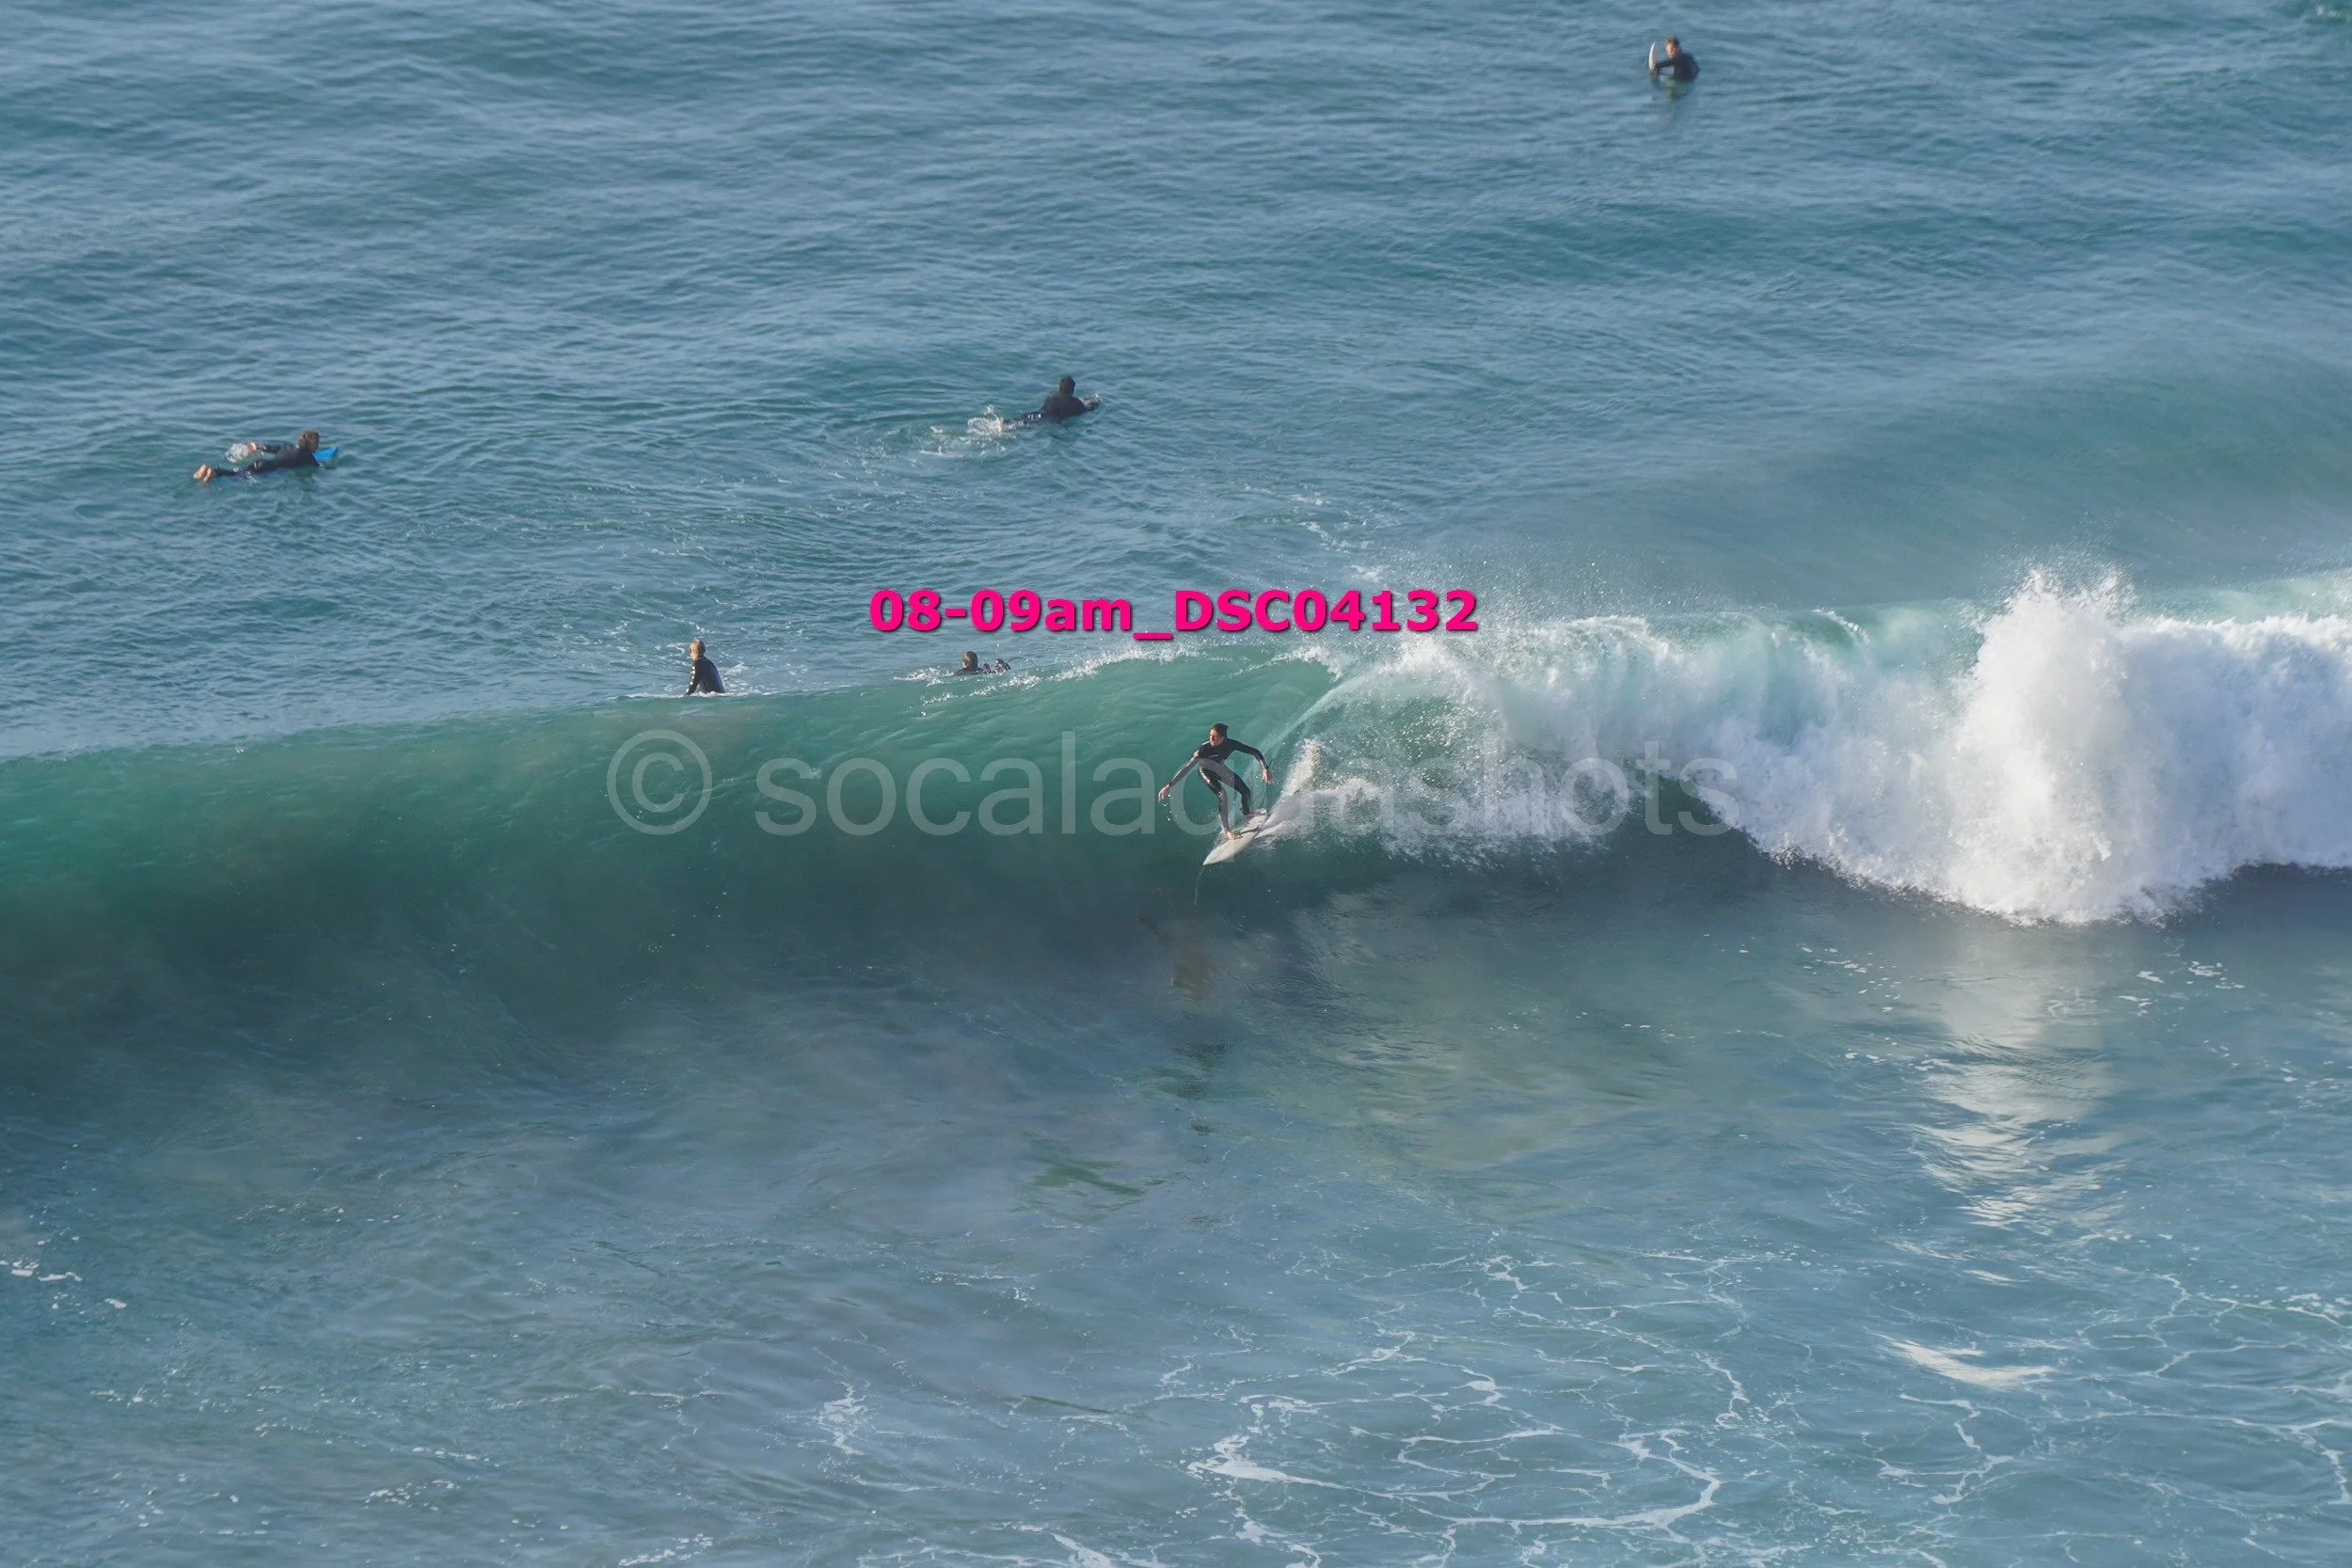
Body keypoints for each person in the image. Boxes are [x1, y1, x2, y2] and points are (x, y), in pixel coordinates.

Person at [1158, 722, 1273, 833]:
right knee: (1223, 795)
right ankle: (1226, 831)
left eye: (1215, 736)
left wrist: (1265, 768)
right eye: (1210, 735)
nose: (1212, 739)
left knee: (1245, 791)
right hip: (1206, 772)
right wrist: (1170, 785)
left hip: (1220, 769)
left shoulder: (1231, 744)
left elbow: (1254, 751)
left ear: (1223, 737)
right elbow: (1187, 767)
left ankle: (1247, 813)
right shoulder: (1204, 749)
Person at [194, 429, 323, 482]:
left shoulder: (287, 446)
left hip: (261, 462)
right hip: (266, 469)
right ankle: (211, 472)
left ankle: (208, 470)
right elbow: (318, 466)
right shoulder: (308, 457)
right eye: (316, 443)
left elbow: (269, 448)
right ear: (309, 444)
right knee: (238, 476)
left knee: (238, 473)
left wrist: (257, 446)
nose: (317, 446)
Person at [1024, 376, 1100, 425]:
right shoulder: (1076, 403)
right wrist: (1095, 402)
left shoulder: (1050, 396)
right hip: (1053, 420)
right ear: (1072, 390)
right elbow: (1088, 409)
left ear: (1059, 387)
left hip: (1040, 415)